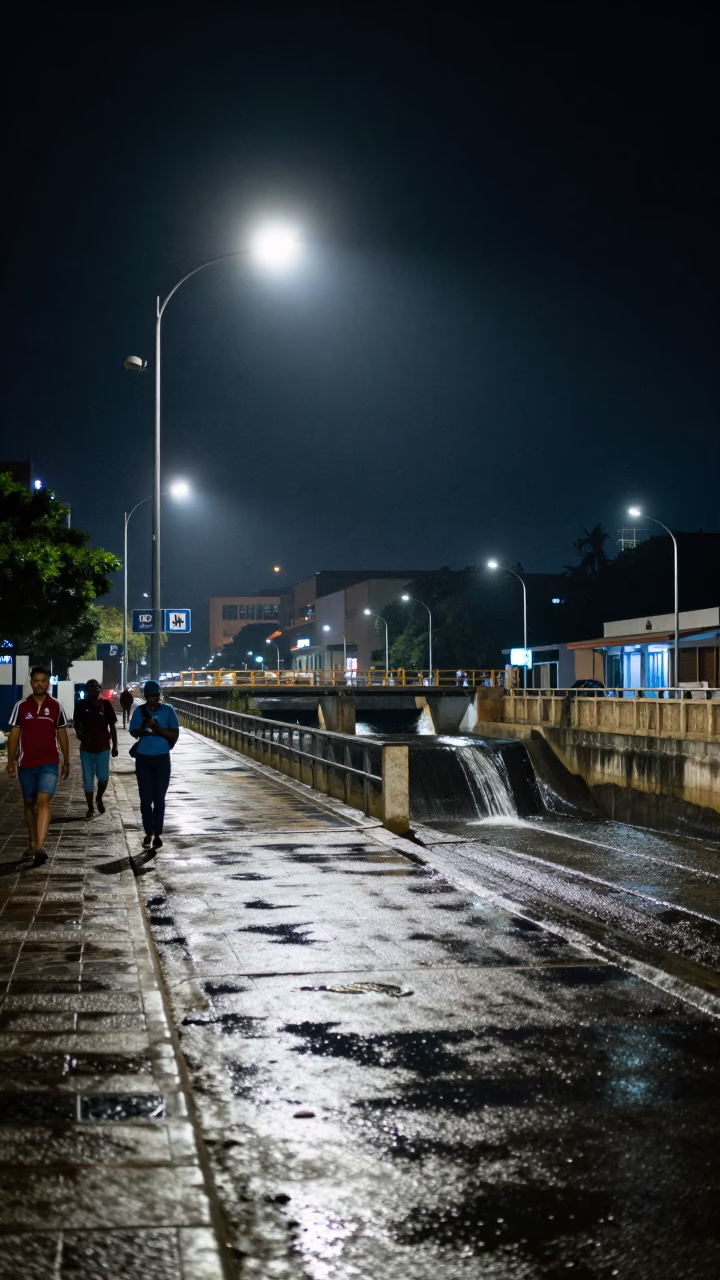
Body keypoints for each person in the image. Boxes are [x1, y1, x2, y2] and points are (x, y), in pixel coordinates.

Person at [5, 666, 70, 857]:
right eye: (36, 681)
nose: (39, 684)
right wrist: (10, 760)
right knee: (29, 803)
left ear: (48, 683)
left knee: (43, 800)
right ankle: (32, 843)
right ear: (31, 683)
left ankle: (40, 847)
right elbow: (14, 735)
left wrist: (66, 760)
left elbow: (62, 734)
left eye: (43, 680)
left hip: (49, 762)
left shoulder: (57, 706)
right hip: (26, 764)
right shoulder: (21, 706)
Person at [129, 680, 179, 849]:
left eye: (155, 696)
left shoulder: (168, 710)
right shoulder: (139, 711)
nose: (152, 700)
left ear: (159, 695)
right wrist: (145, 729)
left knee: (159, 798)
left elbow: (174, 734)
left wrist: (158, 729)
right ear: (146, 697)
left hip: (162, 758)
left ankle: (157, 833)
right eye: (149, 697)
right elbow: (134, 732)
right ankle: (148, 833)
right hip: (143, 758)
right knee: (145, 799)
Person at [74, 678, 118, 818]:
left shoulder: (106, 705)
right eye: (92, 687)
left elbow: (112, 726)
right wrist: (80, 734)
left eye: (97, 687)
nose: (95, 689)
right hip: (86, 749)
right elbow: (77, 724)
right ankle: (90, 808)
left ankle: (99, 797)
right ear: (87, 690)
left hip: (103, 747)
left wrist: (115, 745)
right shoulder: (81, 705)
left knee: (104, 778)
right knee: (88, 780)